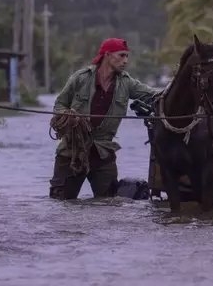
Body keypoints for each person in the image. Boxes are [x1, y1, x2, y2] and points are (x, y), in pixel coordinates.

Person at [49, 38, 158, 200]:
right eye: (121, 56)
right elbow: (59, 105)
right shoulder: (80, 78)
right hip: (72, 151)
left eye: (127, 57)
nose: (125, 61)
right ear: (107, 55)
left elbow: (155, 96)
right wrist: (68, 115)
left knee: (108, 204)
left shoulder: (127, 83)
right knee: (60, 202)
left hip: (103, 153)